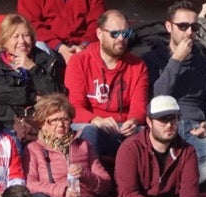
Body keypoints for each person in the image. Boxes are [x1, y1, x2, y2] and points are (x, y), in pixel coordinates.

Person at [23, 92, 114, 197]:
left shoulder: (84, 145)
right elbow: (30, 184)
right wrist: (62, 191)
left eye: (64, 119)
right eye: (53, 120)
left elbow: (105, 183)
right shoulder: (34, 149)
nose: (60, 125)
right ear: (42, 123)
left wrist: (86, 176)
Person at [142, 0, 206, 184]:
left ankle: (178, 189)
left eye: (194, 27)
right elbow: (158, 98)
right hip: (160, 123)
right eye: (183, 26)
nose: (189, 32)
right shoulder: (152, 59)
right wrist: (177, 60)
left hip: (193, 126)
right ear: (169, 26)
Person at [63, 9, 147, 156]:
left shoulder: (138, 65)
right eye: (114, 34)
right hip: (92, 125)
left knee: (146, 134)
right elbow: (74, 107)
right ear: (99, 34)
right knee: (89, 132)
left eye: (126, 34)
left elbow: (139, 108)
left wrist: (133, 121)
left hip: (123, 128)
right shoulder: (79, 61)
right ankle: (91, 177)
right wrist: (96, 120)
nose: (121, 38)